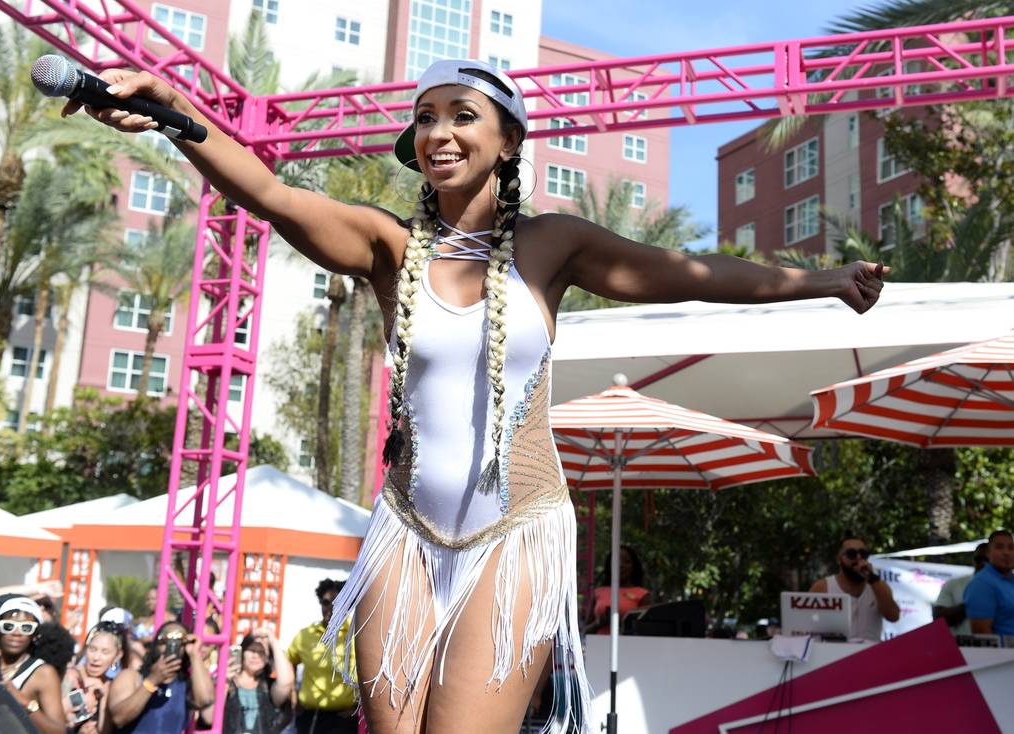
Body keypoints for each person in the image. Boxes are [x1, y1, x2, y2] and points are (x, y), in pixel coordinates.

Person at [67, 58, 887, 733]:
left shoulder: (552, 243)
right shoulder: (389, 246)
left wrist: (819, 280)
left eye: (460, 115)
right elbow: (274, 195)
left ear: (508, 141)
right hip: (406, 530)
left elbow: (691, 274)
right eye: (425, 118)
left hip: (517, 529)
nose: (438, 133)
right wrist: (177, 111)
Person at [0, 596, 67, 734]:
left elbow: (59, 731)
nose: (16, 633)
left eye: (26, 628)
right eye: (8, 626)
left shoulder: (43, 673)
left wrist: (25, 703)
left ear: (35, 634)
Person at [107, 620, 214, 733]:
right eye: (165, 641)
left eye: (180, 642)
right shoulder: (131, 676)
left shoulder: (184, 684)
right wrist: (152, 681)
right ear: (156, 645)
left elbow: (206, 701)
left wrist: (194, 654)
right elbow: (119, 718)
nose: (172, 647)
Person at [287, 580, 357, 734]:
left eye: (337, 603)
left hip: (344, 719)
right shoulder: (305, 635)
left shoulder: (357, 635)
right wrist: (292, 693)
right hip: (310, 718)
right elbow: (288, 661)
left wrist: (358, 708)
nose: (331, 608)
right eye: (326, 603)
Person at [809, 534, 900, 641]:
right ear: (839, 559)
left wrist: (873, 580)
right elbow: (807, 624)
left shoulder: (878, 585)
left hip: (871, 654)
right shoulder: (823, 587)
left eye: (863, 554)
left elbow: (893, 616)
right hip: (835, 653)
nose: (858, 558)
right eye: (851, 554)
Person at [62, 620, 131, 734]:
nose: (96, 657)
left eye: (105, 652)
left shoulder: (112, 685)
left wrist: (104, 696)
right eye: (92, 649)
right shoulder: (70, 676)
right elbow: (50, 720)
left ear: (118, 656)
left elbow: (105, 730)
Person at [221, 628, 294, 734]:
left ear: (268, 657)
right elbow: (211, 717)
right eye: (251, 650)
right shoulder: (227, 681)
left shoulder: (268, 687)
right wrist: (224, 684)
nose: (255, 656)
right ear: (242, 651)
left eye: (261, 652)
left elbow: (286, 681)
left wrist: (273, 640)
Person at [584, 545, 651, 634]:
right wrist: (598, 623)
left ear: (633, 566)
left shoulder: (643, 594)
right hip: (598, 646)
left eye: (626, 561)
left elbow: (648, 629)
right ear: (609, 565)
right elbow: (585, 631)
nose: (621, 565)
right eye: (616, 561)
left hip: (630, 646)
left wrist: (621, 622)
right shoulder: (598, 592)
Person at [933, 543, 989, 636]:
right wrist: (969, 603)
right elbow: (938, 618)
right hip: (961, 648)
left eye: (987, 560)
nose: (982, 563)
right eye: (978, 559)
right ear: (973, 560)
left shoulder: (1009, 586)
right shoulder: (954, 584)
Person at [965, 529, 1014, 636]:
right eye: (999, 547)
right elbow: (982, 635)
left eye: (1011, 548)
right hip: (1003, 652)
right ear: (988, 552)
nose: (1006, 552)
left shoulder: (1011, 580)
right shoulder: (981, 583)